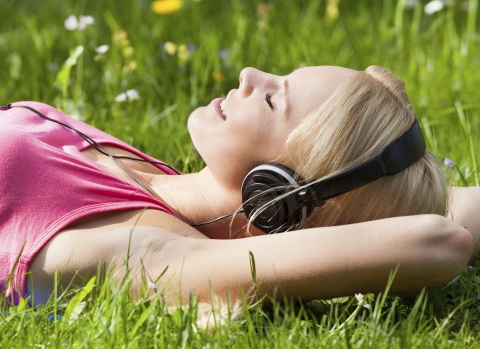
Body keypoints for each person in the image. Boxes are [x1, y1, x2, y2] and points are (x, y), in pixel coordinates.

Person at [0, 65, 474, 309]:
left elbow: (436, 240)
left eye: (272, 100)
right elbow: (457, 208)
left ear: (278, 195)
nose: (248, 75)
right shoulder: (158, 183)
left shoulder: (137, 248)